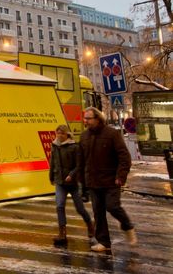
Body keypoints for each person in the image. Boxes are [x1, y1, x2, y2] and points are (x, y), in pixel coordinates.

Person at [79, 107, 136, 252]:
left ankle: (127, 225)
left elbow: (124, 157)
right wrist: (81, 180)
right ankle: (104, 242)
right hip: (92, 181)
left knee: (112, 206)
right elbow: (81, 160)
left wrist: (120, 176)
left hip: (111, 180)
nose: (85, 121)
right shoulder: (84, 136)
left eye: (88, 118)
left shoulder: (112, 134)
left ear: (97, 119)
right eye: (84, 118)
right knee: (98, 212)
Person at [49, 124, 94, 245]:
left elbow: (79, 165)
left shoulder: (74, 147)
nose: (59, 135)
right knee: (59, 205)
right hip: (60, 182)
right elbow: (52, 162)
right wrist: (51, 177)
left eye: (62, 133)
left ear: (67, 134)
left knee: (80, 208)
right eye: (57, 133)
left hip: (73, 183)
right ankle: (62, 233)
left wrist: (71, 175)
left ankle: (90, 224)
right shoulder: (54, 146)